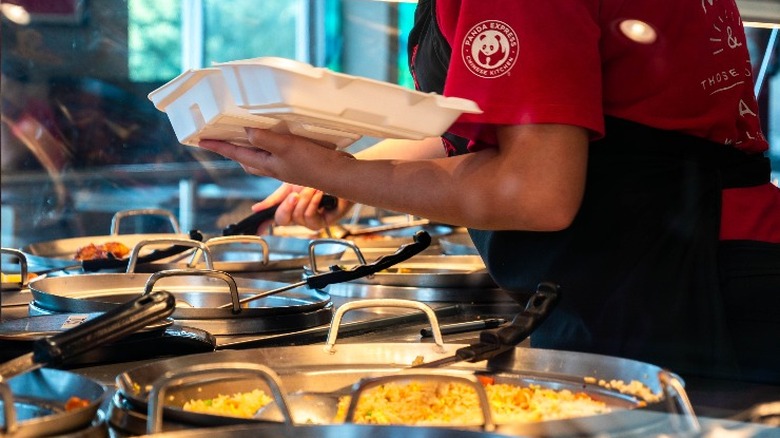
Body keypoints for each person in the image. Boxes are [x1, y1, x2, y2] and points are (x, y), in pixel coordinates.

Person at [199, 0, 780, 384]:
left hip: (688, 284)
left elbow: (535, 191)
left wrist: (335, 172)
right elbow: (531, 134)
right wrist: (335, 168)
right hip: (691, 263)